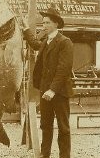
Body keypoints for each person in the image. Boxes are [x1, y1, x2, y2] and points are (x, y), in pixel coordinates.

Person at [22, 8, 74, 158]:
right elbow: (35, 44)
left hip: (60, 92)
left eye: (47, 23)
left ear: (56, 24)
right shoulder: (46, 41)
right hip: (45, 92)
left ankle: (64, 156)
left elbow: (63, 69)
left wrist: (53, 90)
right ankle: (45, 155)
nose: (43, 26)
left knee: (63, 128)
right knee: (46, 126)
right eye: (43, 23)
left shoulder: (65, 42)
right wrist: (25, 28)